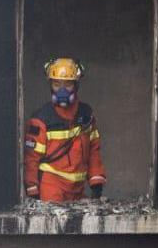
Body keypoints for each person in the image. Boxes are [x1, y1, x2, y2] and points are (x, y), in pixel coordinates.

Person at [23, 57, 106, 202]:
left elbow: (94, 150)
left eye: (68, 84)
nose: (62, 90)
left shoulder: (86, 115)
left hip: (78, 190)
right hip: (51, 188)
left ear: (76, 85)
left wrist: (96, 182)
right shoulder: (41, 119)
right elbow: (31, 159)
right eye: (56, 84)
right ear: (50, 85)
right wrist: (32, 189)